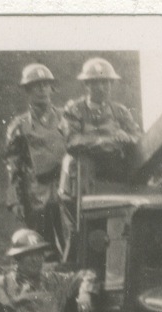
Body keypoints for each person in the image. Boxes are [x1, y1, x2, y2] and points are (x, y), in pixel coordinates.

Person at [58, 57, 141, 232]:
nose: (102, 87)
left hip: (114, 172)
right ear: (86, 85)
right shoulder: (74, 110)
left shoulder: (120, 111)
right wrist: (107, 141)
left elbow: (137, 136)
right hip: (83, 174)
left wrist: (126, 137)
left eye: (106, 82)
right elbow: (72, 141)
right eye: (96, 83)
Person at [5, 63, 67, 259]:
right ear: (28, 91)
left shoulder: (67, 119)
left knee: (73, 243)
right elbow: (13, 165)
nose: (42, 90)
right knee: (43, 248)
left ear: (52, 88)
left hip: (66, 188)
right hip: (36, 194)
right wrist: (14, 200)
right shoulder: (20, 125)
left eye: (46, 85)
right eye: (36, 86)